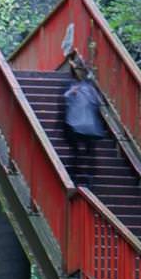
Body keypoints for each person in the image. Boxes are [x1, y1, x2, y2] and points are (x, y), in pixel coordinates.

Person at [62, 55, 109, 189]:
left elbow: (97, 102)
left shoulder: (87, 87)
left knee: (85, 151)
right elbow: (67, 99)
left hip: (84, 124)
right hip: (80, 124)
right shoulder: (78, 86)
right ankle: (80, 175)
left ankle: (85, 176)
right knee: (80, 151)